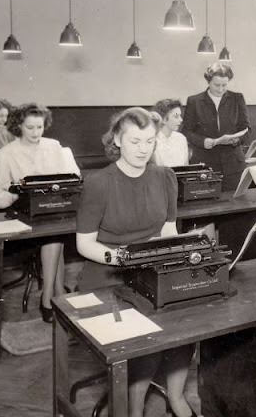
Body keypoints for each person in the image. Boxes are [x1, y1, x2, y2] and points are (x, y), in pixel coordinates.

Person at [75, 107, 195, 417]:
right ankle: (133, 411)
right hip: (107, 275)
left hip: (150, 267)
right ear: (116, 139)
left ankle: (177, 396)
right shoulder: (98, 182)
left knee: (188, 318)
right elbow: (84, 243)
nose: (143, 150)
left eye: (150, 141)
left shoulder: (165, 176)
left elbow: (168, 231)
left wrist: (170, 258)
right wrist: (125, 257)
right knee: (143, 338)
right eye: (134, 141)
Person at [0, 103, 80, 323]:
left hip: (54, 209)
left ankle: (53, 295)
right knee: (53, 236)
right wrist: (15, 192)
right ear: (19, 125)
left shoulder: (54, 146)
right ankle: (51, 296)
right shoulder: (5, 154)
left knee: (54, 233)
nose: (36, 133)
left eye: (39, 127)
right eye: (30, 127)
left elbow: (73, 177)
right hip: (23, 216)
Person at [181, 62, 251, 191]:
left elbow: (246, 129)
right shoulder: (194, 101)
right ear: (208, 81)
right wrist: (203, 141)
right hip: (205, 162)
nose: (220, 89)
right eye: (216, 85)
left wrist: (236, 140)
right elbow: (186, 130)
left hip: (233, 164)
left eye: (224, 85)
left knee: (236, 205)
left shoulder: (237, 98)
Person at [152, 98, 189, 167]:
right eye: (176, 116)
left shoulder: (181, 139)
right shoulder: (152, 140)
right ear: (163, 119)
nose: (181, 120)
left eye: (180, 116)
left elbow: (186, 167)